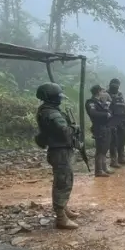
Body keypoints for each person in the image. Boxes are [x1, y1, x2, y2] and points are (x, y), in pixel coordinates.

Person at [34, 83, 80, 230]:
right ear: (51, 97)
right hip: (59, 151)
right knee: (63, 182)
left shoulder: (47, 110)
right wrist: (74, 128)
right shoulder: (51, 113)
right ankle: (61, 217)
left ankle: (63, 208)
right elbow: (64, 131)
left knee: (64, 179)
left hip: (59, 150)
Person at [84, 84, 112, 177]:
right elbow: (93, 113)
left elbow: (107, 110)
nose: (103, 93)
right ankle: (98, 170)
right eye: (102, 91)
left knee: (105, 148)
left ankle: (104, 168)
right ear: (98, 92)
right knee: (100, 149)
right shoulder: (91, 102)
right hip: (98, 127)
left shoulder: (100, 102)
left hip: (105, 126)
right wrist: (105, 115)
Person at [106, 78, 125, 167]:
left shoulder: (120, 94)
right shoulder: (106, 94)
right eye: (114, 84)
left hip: (122, 120)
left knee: (122, 140)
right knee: (113, 141)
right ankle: (113, 160)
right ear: (110, 85)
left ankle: (121, 157)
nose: (115, 86)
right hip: (112, 120)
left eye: (117, 85)